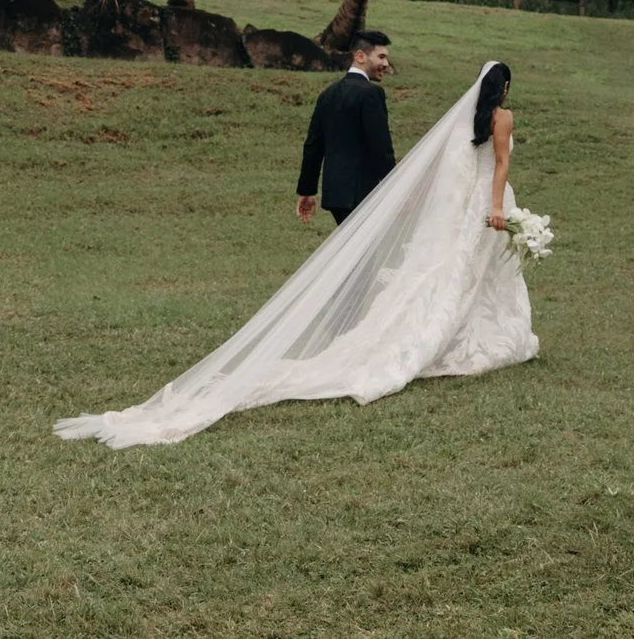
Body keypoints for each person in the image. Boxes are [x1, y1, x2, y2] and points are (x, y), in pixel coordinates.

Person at [55, 60, 537, 448]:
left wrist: (308, 188)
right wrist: (497, 208)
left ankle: (429, 327)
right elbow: (497, 167)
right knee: (469, 274)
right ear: (506, 87)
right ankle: (457, 334)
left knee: (451, 274)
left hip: (449, 211)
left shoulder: (459, 123)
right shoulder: (503, 118)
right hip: (485, 207)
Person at [295, 30, 395, 225]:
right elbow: (381, 149)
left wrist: (307, 191)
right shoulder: (371, 93)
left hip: (336, 197)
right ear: (360, 56)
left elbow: (313, 147)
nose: (386, 64)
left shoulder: (327, 94)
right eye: (381, 57)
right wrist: (397, 188)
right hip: (364, 194)